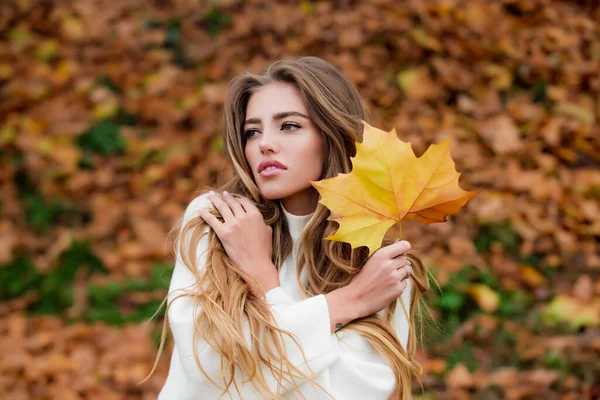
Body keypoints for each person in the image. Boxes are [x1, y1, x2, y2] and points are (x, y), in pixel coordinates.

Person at [149, 56, 430, 399]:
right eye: (253, 131)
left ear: (332, 135)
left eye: (289, 126)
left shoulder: (378, 264)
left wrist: (262, 280)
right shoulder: (217, 220)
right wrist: (347, 303)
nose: (264, 143)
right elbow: (210, 374)